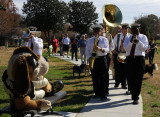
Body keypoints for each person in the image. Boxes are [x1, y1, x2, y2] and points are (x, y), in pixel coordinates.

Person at [123, 23, 148, 104]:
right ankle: (132, 91)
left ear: (139, 30)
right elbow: (125, 48)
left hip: (139, 59)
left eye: (136, 30)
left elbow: (144, 48)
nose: (134, 32)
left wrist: (138, 41)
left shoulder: (143, 37)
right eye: (133, 30)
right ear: (131, 30)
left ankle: (135, 97)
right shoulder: (127, 37)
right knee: (130, 79)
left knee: (138, 79)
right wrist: (131, 42)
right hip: (130, 59)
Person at [85, 24, 109, 101]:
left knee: (103, 77)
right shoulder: (89, 40)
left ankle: (103, 94)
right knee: (95, 77)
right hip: (94, 59)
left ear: (101, 31)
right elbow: (87, 51)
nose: (96, 32)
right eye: (95, 31)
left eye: (98, 31)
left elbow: (107, 50)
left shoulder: (104, 40)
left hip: (102, 59)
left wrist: (100, 49)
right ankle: (97, 93)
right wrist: (90, 58)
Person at [112, 23, 130, 89]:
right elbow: (112, 44)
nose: (125, 30)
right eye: (123, 28)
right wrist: (113, 50)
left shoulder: (130, 36)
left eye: (126, 29)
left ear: (128, 29)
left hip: (126, 54)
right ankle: (117, 82)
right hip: (118, 53)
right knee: (117, 69)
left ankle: (124, 84)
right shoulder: (118, 35)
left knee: (125, 70)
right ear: (121, 29)